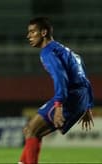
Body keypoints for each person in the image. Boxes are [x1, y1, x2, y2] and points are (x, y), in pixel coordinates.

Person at [18, 17, 94, 164]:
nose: (29, 36)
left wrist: (58, 105)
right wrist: (88, 105)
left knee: (30, 130)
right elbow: (84, 77)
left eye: (32, 32)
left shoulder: (48, 52)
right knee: (33, 132)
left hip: (69, 97)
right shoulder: (68, 52)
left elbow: (61, 78)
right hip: (81, 98)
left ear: (44, 32)